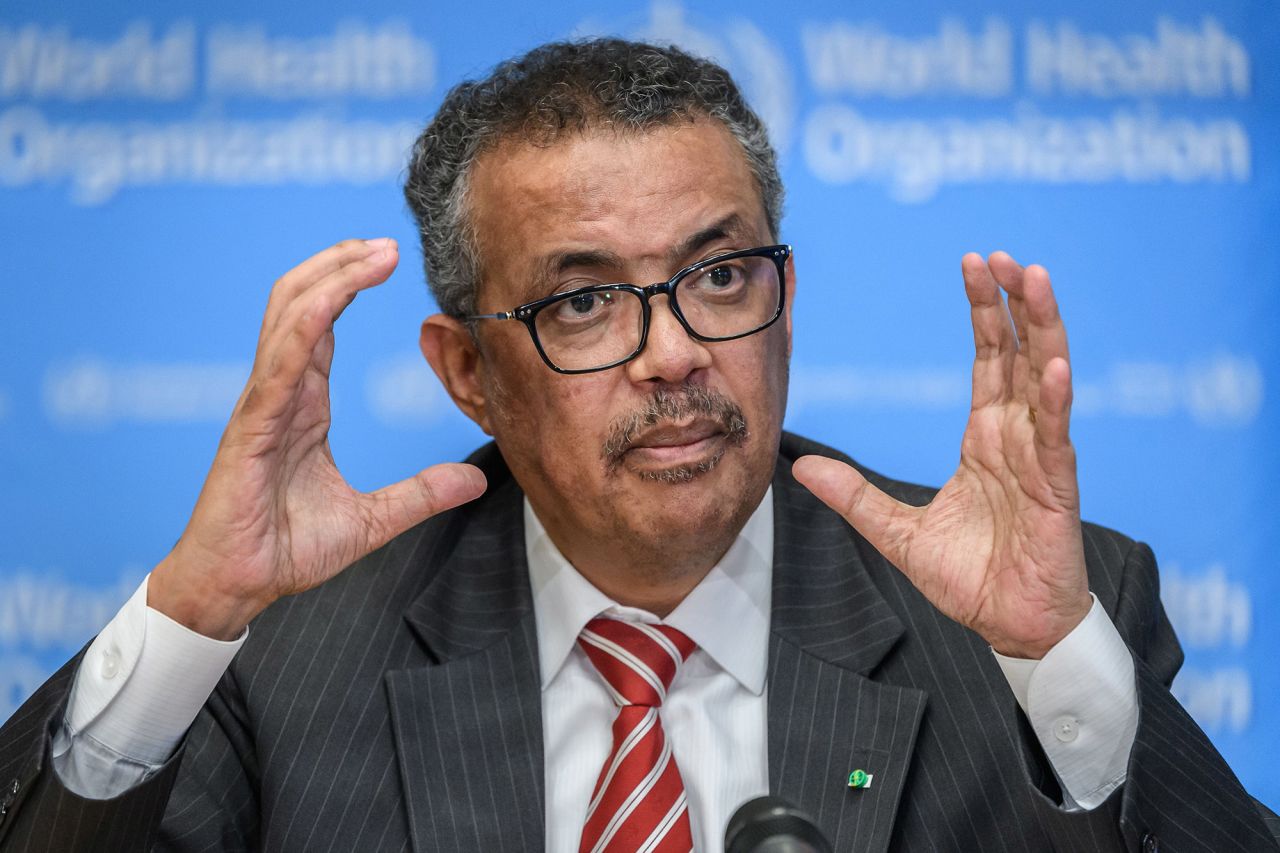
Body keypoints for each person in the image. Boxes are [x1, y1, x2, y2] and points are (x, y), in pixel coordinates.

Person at [0, 38, 1276, 853]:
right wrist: (192, 614)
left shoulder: (1035, 617)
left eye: (719, 275)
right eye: (585, 301)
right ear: (468, 375)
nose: (672, 353)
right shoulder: (278, 647)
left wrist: (1057, 663)